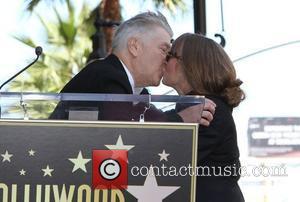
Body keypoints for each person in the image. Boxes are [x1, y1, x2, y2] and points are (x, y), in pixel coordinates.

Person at [50, 11, 215, 125]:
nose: (167, 59)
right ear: (134, 46)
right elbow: (124, 125)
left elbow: (149, 122)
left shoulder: (139, 92)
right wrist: (181, 119)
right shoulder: (106, 74)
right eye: (164, 50)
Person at [162, 33, 245, 202]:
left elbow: (168, 160)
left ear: (190, 65)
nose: (164, 59)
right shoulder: (197, 106)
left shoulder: (209, 109)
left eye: (170, 55)